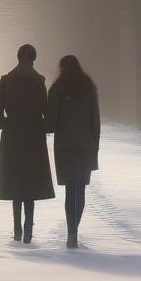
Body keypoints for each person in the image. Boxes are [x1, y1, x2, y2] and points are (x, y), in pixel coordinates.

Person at [0, 44, 55, 244]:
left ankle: (17, 228)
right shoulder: (39, 82)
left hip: (12, 136)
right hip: (34, 137)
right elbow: (47, 113)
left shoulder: (6, 80)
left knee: (15, 182)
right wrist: (41, 126)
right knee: (31, 183)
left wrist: (7, 124)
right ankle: (29, 227)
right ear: (34, 58)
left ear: (18, 57)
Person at [46, 54, 100, 248]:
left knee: (70, 190)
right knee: (80, 189)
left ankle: (71, 232)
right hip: (85, 147)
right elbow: (95, 124)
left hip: (65, 147)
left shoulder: (57, 89)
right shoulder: (89, 90)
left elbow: (50, 124)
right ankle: (74, 229)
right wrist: (95, 151)